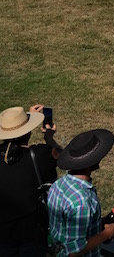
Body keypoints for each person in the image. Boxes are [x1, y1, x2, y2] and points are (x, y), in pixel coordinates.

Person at [47, 129, 114, 257]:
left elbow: (66, 226)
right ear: (92, 161)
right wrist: (107, 233)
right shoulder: (81, 201)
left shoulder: (58, 185)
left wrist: (97, 223)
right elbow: (74, 252)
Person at [0, 106, 61, 257]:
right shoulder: (40, 155)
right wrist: (49, 137)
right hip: (32, 234)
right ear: (28, 131)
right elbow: (61, 156)